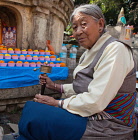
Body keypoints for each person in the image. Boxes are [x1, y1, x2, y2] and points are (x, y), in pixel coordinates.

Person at [18, 4, 137, 140]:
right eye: (74, 27)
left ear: (100, 24)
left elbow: (95, 101)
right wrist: (55, 86)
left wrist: (58, 103)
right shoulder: (90, 51)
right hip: (90, 114)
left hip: (108, 123)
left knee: (34, 113)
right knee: (35, 112)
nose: (78, 32)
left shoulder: (115, 49)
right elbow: (84, 86)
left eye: (83, 24)